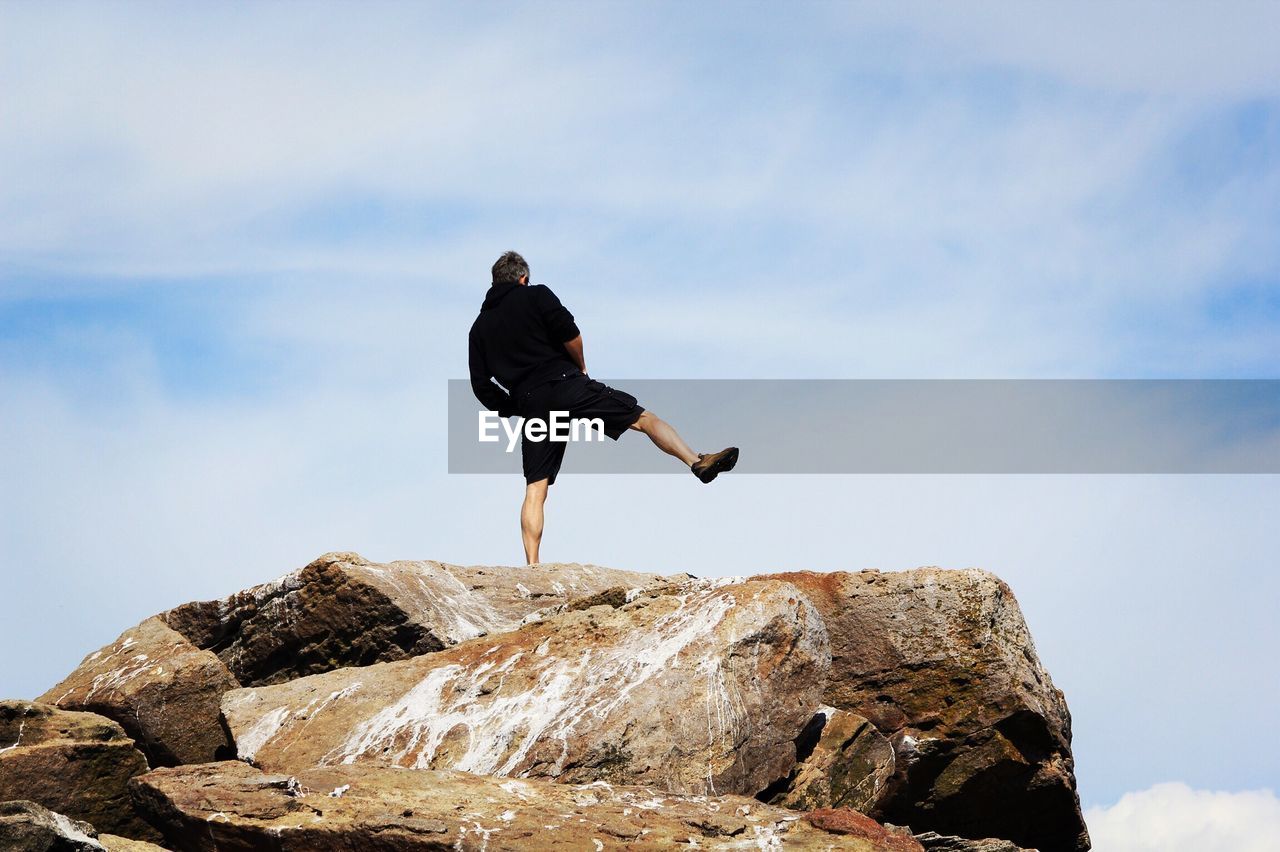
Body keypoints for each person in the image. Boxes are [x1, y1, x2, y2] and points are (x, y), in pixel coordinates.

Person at [469, 251, 738, 564]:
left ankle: (532, 567)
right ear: (523, 278)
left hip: (531, 402)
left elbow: (481, 385)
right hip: (566, 382)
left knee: (535, 487)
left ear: (494, 282)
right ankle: (696, 461)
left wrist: (514, 406)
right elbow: (571, 334)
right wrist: (581, 367)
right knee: (643, 419)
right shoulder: (536, 295)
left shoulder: (479, 328)